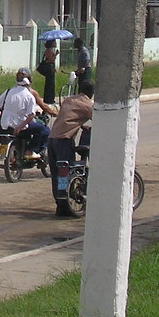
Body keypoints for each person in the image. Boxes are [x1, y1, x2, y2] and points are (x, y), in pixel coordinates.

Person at [47, 80, 94, 217]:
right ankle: (65, 203)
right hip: (64, 141)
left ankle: (60, 204)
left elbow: (67, 117)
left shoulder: (69, 100)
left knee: (57, 174)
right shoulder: (87, 104)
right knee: (65, 173)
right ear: (91, 93)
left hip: (52, 139)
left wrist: (79, 125)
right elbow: (99, 118)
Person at [0, 69, 50, 158]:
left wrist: (6, 112)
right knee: (44, 130)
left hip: (4, 124)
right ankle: (30, 150)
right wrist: (19, 127)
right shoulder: (29, 96)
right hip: (19, 126)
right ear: (29, 82)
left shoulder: (9, 91)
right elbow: (31, 115)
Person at [38, 39, 58, 104]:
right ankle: (49, 99)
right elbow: (49, 60)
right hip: (49, 68)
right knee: (50, 84)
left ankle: (50, 98)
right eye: (55, 42)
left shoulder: (51, 50)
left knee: (51, 84)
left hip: (50, 68)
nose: (56, 43)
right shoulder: (49, 50)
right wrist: (56, 54)